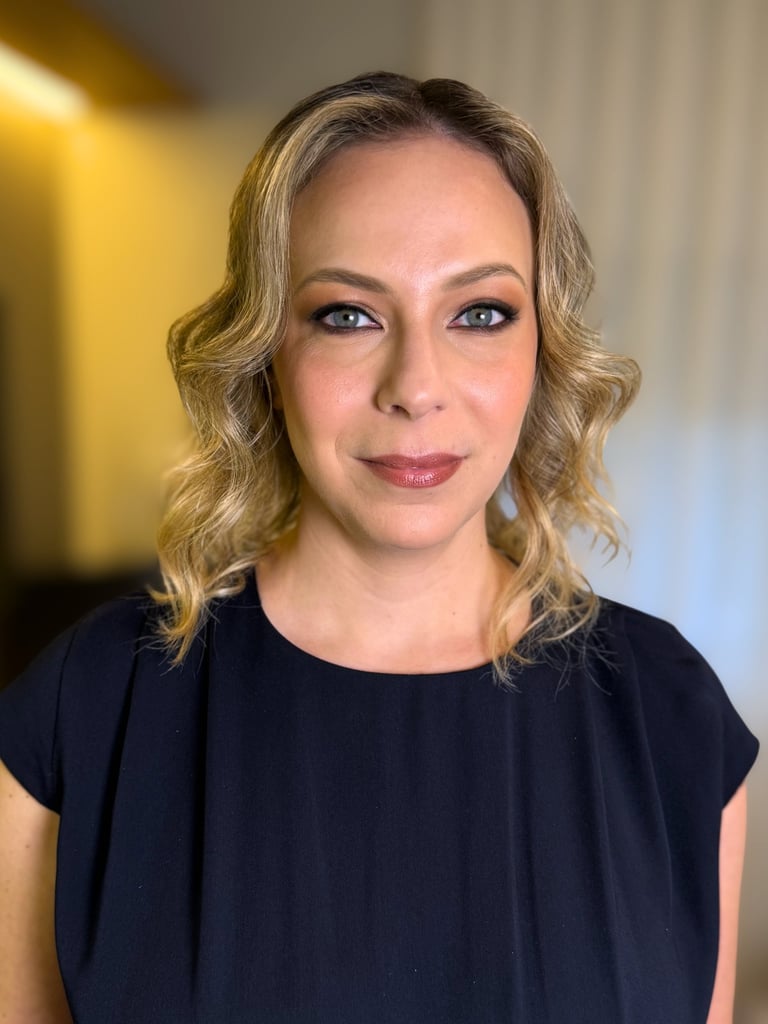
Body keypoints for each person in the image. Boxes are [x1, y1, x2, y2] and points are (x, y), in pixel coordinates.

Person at [0, 71, 758, 1024]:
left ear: (544, 348)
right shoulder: (84, 711)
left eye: (480, 312)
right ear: (265, 352)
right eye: (347, 314)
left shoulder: (670, 717)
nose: (416, 386)